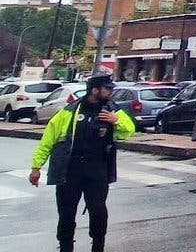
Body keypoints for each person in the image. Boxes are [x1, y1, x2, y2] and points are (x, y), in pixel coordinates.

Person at [28, 74, 135, 252]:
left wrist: (117, 121)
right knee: (66, 213)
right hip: (70, 171)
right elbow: (48, 140)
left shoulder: (112, 110)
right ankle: (65, 247)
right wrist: (36, 167)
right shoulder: (69, 112)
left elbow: (129, 130)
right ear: (94, 90)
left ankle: (98, 246)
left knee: (98, 210)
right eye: (107, 89)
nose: (111, 92)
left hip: (97, 170)